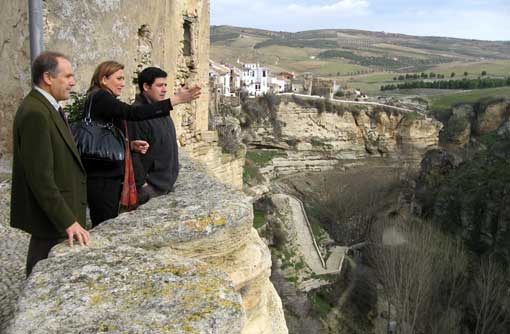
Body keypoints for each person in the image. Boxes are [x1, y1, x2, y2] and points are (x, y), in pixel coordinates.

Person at [83, 61, 200, 226]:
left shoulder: (100, 100)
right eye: (119, 78)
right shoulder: (101, 97)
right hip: (103, 179)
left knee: (109, 225)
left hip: (107, 176)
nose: (123, 84)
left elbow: (106, 138)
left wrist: (129, 145)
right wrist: (175, 100)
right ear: (103, 80)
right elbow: (133, 113)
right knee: (105, 226)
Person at [10, 51, 91, 277]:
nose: (73, 82)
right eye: (67, 76)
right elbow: (39, 177)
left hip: (59, 214)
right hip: (53, 217)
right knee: (42, 270)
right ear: (48, 78)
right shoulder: (36, 112)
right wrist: (68, 220)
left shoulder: (47, 107)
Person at [128, 67, 201, 202]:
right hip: (151, 190)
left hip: (165, 186)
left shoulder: (160, 109)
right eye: (159, 85)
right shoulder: (138, 113)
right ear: (146, 86)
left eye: (165, 85)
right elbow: (133, 154)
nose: (164, 89)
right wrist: (143, 186)